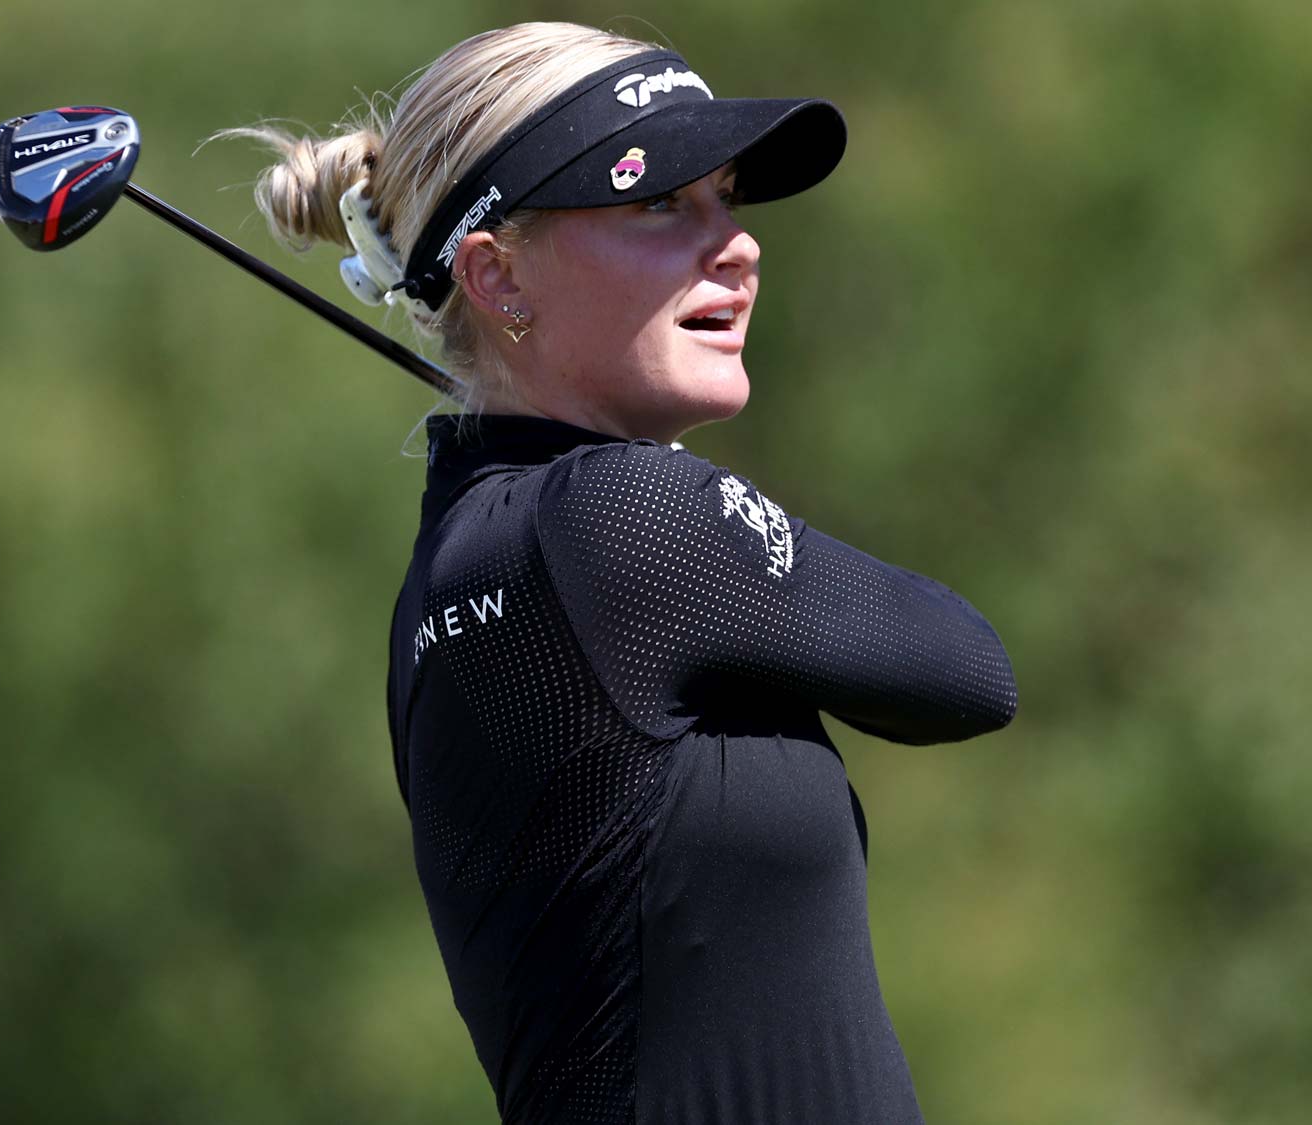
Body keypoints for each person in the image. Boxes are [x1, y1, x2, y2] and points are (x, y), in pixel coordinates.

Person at [226, 22, 1018, 1124]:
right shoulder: (622, 515)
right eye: (659, 203)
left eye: (726, 197)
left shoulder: (469, 548)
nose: (735, 244)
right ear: (496, 276)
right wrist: (702, 501)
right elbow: (967, 669)